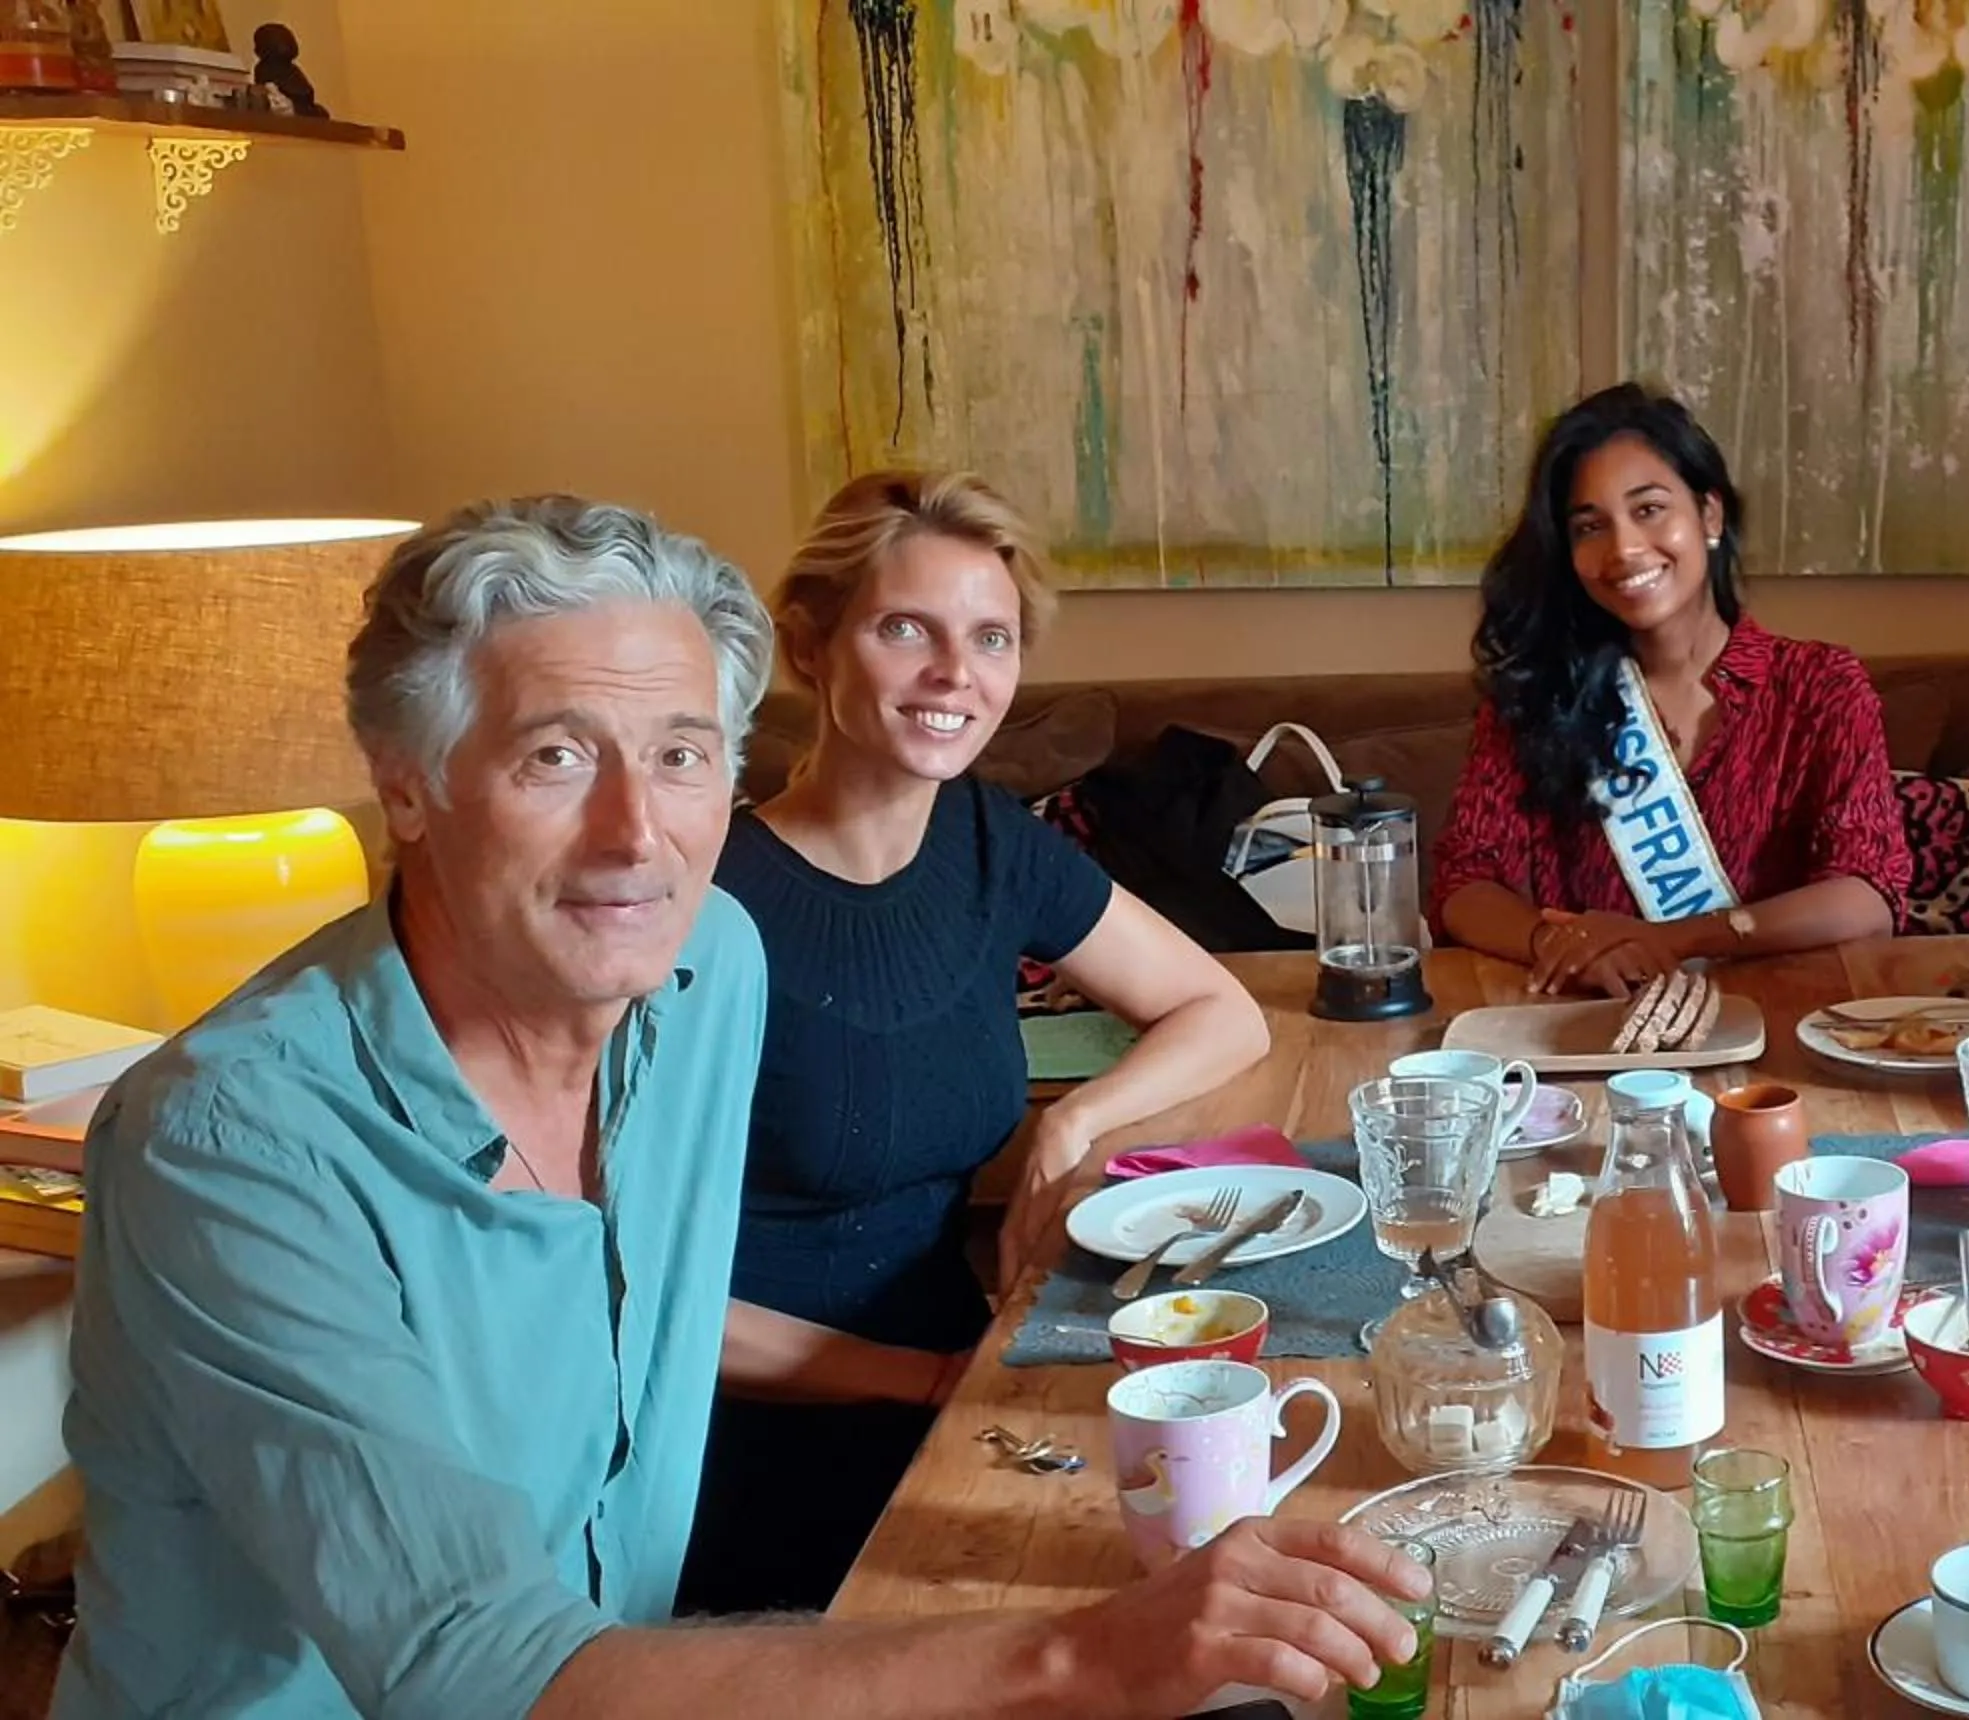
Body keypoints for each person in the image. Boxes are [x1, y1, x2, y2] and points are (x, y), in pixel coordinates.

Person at [53, 496, 1424, 1719]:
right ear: (406, 782)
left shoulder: (708, 967)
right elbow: (476, 1669)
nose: (635, 836)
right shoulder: (231, 1145)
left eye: (682, 754)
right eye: (552, 758)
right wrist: (1080, 1657)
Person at [680, 469, 1270, 1617]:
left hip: (957, 1383)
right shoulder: (701, 903)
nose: (958, 674)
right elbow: (636, 1300)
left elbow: (1222, 1010)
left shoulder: (992, 843)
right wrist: (935, 1380)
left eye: (991, 638)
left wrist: (1077, 1117)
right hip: (753, 1448)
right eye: (908, 629)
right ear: (812, 647)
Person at [1433, 383, 1911, 996]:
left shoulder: (1818, 688)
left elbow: (1868, 893)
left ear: (1709, 515)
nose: (1624, 549)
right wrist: (1553, 942)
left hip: (1776, 1028)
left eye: (1649, 509)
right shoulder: (1539, 693)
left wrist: (1677, 938)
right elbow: (1462, 882)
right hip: (1591, 1026)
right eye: (1589, 526)